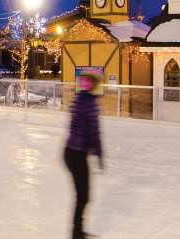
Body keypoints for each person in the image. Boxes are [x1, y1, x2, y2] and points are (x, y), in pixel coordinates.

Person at [64, 73, 104, 239]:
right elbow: (94, 131)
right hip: (77, 154)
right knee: (83, 196)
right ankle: (76, 233)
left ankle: (77, 231)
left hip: (70, 152)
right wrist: (99, 154)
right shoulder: (91, 103)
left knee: (82, 195)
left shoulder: (78, 100)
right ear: (94, 86)